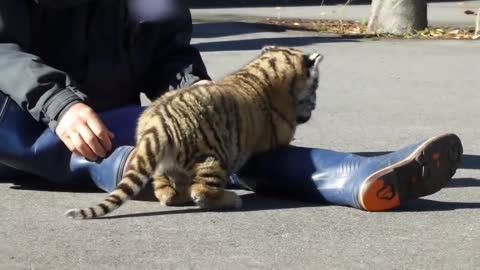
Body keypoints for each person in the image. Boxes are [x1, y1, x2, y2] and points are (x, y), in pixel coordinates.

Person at [0, 0, 463, 212]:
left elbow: (166, 50)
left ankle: (355, 176)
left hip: (117, 120)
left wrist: (197, 90)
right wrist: (59, 105)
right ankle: (133, 169)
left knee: (224, 137)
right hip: (24, 131)